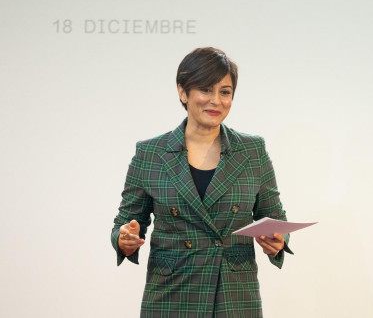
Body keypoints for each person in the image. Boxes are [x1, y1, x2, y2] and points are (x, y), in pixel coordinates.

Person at [111, 47, 292, 317]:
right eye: (206, 90)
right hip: (172, 296)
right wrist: (124, 239)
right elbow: (125, 223)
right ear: (183, 92)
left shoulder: (252, 150)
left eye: (225, 92)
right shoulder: (151, 153)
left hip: (234, 298)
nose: (216, 101)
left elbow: (274, 217)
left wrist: (278, 239)